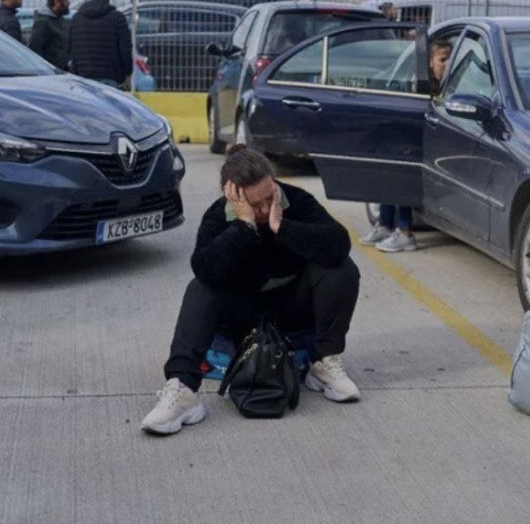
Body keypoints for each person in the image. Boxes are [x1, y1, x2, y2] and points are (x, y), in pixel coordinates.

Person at [141, 145, 362, 435]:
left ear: (274, 182)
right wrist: (244, 227)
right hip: (242, 320)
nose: (263, 209)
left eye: (269, 197)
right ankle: (183, 390)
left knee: (341, 268)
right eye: (253, 204)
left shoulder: (296, 200)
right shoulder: (219, 217)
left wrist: (282, 227)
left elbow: (338, 244)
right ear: (231, 195)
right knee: (201, 286)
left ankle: (324, 364)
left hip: (291, 313)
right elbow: (204, 269)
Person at [362, 37, 454, 253]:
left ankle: (405, 232)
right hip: (417, 141)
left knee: (403, 168)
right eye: (443, 59)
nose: (448, 65)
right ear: (430, 61)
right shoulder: (420, 83)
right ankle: (385, 224)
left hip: (434, 146)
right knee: (389, 162)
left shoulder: (451, 85)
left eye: (450, 59)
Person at [69, 0, 132, 88]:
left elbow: (71, 47)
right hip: (110, 75)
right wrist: (127, 72)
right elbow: (125, 49)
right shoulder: (118, 18)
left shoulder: (76, 18)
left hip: (82, 75)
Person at [29, 0, 71, 68]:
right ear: (57, 1)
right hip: (50, 71)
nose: (69, 3)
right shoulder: (42, 23)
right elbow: (35, 48)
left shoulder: (62, 20)